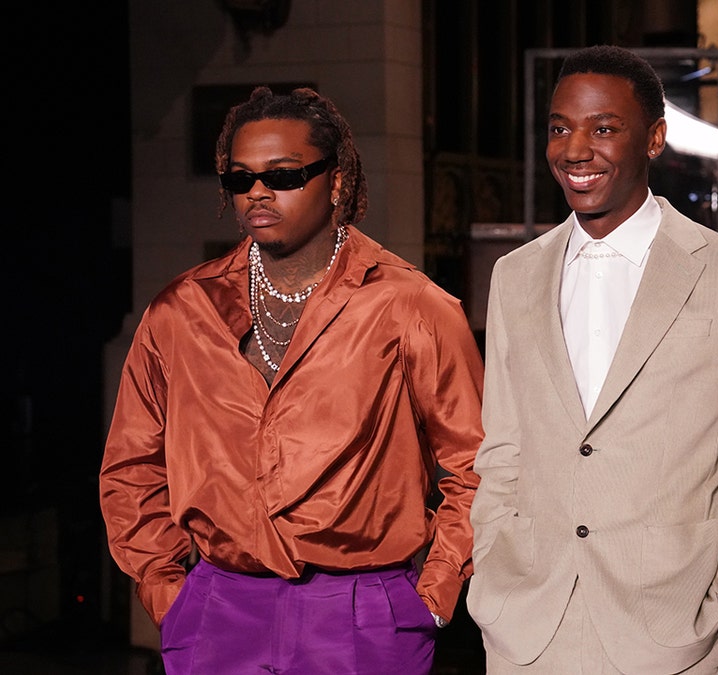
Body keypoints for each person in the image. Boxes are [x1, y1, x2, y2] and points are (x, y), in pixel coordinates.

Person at [99, 86, 484, 675]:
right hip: (218, 607)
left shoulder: (411, 307)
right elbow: (131, 466)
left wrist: (429, 599)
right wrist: (169, 592)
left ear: (336, 182)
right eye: (240, 177)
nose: (258, 191)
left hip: (363, 612)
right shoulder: (181, 312)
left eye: (283, 175)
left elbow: (478, 465)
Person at [467, 45, 718, 674]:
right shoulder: (515, 275)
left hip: (675, 636)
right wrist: (494, 576)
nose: (575, 149)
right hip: (528, 630)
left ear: (655, 139)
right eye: (560, 128)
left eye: (604, 128)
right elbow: (501, 451)